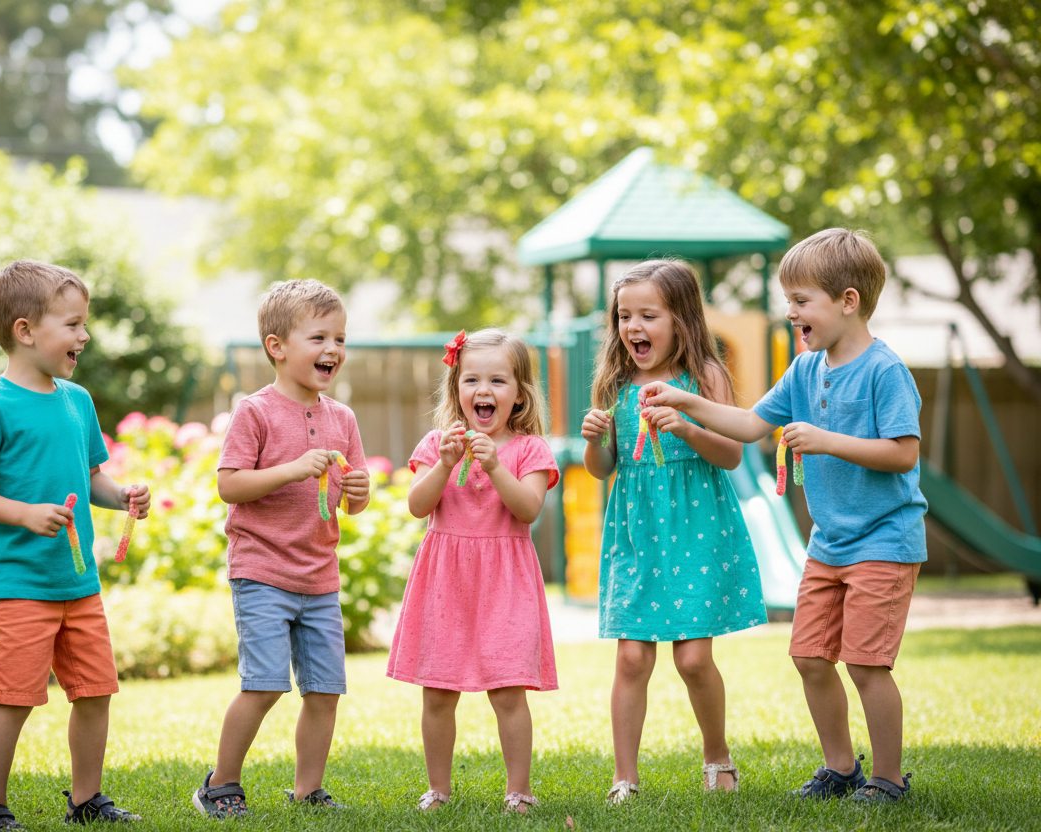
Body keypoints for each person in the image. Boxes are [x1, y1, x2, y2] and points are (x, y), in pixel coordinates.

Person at [641, 229, 926, 804]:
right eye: (788, 299)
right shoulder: (804, 369)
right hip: (829, 543)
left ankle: (889, 780)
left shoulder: (883, 371)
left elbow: (904, 452)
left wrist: (827, 440)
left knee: (867, 665)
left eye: (801, 300)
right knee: (809, 656)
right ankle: (840, 769)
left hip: (884, 539)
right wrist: (683, 400)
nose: (789, 311)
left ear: (848, 301)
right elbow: (749, 426)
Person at [0, 259, 150, 830]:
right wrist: (23, 514)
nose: (83, 336)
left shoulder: (77, 400)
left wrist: (123, 495)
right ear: (25, 330)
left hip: (77, 582)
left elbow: (91, 481)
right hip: (19, 583)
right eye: (72, 324)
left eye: (84, 324)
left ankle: (87, 800)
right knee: (13, 698)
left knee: (94, 692)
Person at [581, 260, 766, 803]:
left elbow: (731, 454)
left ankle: (717, 756)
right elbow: (604, 466)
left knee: (692, 657)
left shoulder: (703, 376)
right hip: (637, 533)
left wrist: (685, 424)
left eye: (648, 315)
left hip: (695, 528)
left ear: (681, 319)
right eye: (624, 316)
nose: (633, 327)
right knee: (632, 657)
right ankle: (625, 778)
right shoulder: (614, 382)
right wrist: (596, 441)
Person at [192, 279, 371, 818]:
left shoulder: (343, 419)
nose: (333, 350)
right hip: (262, 571)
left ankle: (307, 791)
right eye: (319, 337)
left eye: (340, 339)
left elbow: (350, 501)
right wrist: (292, 469)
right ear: (277, 347)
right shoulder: (256, 412)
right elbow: (229, 485)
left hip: (319, 577)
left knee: (324, 690)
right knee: (265, 684)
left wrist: (358, 493)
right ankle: (220, 785)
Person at [387, 328, 560, 814]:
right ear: (456, 388)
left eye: (498, 381)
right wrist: (444, 465)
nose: (483, 391)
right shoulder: (437, 444)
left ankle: (518, 791)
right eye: (472, 380)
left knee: (508, 691)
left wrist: (497, 467)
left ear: (519, 395)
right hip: (446, 582)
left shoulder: (529, 449)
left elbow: (527, 509)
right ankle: (438, 789)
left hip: (505, 581)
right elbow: (418, 506)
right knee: (438, 691)